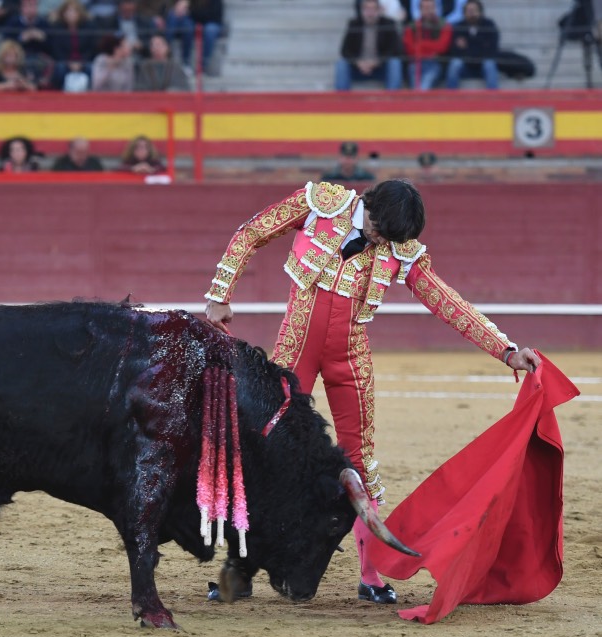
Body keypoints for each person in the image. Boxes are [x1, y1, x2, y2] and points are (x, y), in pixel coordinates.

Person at [203, 178, 540, 605]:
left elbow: (448, 303)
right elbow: (251, 231)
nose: (382, 242)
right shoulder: (322, 204)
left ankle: (370, 575)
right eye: (380, 232)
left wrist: (506, 351)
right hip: (294, 351)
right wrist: (219, 295)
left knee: (361, 459)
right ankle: (241, 568)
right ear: (369, 207)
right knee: (268, 455)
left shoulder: (399, 246)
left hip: (351, 359)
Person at [336, 0, 403, 91]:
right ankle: (342, 100)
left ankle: (392, 99)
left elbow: (395, 49)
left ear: (379, 10)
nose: (370, 13)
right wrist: (358, 62)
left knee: (395, 62)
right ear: (362, 11)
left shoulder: (388, 24)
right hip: (359, 68)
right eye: (367, 9)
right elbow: (345, 51)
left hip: (380, 67)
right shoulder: (354, 24)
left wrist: (377, 61)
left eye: (373, 9)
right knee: (341, 64)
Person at [444, 0, 499, 89]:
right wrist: (480, 45)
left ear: (480, 12)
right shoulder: (458, 27)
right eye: (469, 11)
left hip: (483, 66)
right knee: (455, 64)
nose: (472, 13)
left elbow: (492, 49)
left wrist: (467, 47)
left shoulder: (489, 25)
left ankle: (493, 98)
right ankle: (451, 97)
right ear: (464, 13)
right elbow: (454, 50)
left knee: (489, 64)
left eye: (474, 10)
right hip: (465, 67)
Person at [47, 0, 96, 91]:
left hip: (84, 61)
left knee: (91, 68)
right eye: (68, 11)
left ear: (80, 13)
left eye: (74, 11)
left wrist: (81, 62)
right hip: (65, 61)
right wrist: (69, 63)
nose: (71, 14)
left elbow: (91, 49)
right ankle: (57, 94)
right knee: (60, 68)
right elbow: (56, 50)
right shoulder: (57, 28)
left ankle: (91, 94)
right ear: (63, 13)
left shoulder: (88, 27)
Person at [403, 0, 452, 90]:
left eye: (431, 8)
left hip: (435, 63)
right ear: (420, 10)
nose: (429, 11)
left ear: (435, 9)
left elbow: (442, 47)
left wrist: (421, 44)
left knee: (425, 85)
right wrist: (431, 48)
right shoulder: (411, 26)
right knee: (415, 80)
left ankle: (419, 101)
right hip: (416, 62)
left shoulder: (444, 25)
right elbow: (410, 48)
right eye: (425, 8)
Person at [165, 0, 222, 74]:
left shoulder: (216, 2)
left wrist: (191, 14)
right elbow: (188, 12)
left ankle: (202, 66)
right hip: (195, 21)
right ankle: (183, 61)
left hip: (211, 23)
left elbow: (214, 16)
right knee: (187, 26)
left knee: (210, 30)